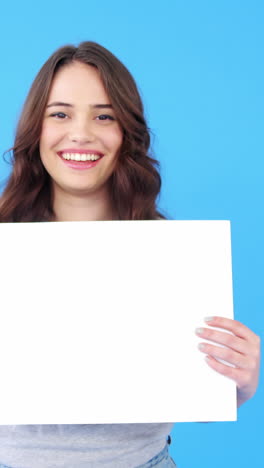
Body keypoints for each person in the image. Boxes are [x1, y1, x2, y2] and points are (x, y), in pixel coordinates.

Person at [0, 41, 260, 468]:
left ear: (127, 132)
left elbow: (195, 396)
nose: (81, 133)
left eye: (104, 116)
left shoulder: (175, 257)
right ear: (35, 128)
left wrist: (236, 384)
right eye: (60, 113)